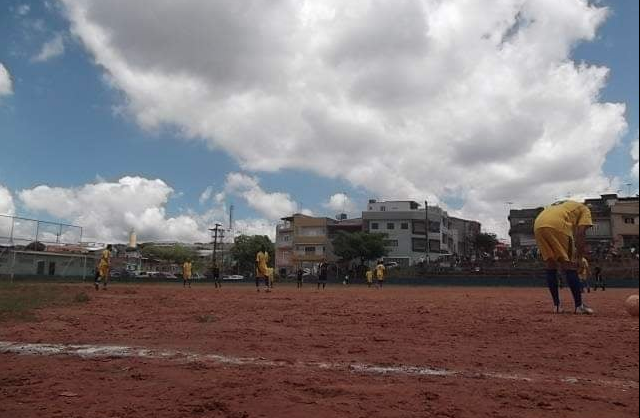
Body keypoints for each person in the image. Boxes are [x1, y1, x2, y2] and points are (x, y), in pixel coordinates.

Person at [533, 200, 594, 314]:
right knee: (570, 265)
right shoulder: (585, 209)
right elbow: (581, 233)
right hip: (557, 225)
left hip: (538, 224)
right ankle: (579, 306)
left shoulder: (564, 205)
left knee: (550, 264)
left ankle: (556, 306)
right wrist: (579, 259)